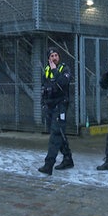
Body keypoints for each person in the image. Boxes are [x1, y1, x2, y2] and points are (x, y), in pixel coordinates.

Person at [38, 47, 74, 175]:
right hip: (50, 106)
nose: (54, 58)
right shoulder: (46, 71)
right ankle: (68, 158)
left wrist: (54, 70)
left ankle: (49, 164)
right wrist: (43, 104)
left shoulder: (64, 69)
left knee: (55, 135)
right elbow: (44, 88)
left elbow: (62, 82)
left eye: (56, 55)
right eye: (52, 56)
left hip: (61, 106)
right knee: (59, 133)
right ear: (48, 59)